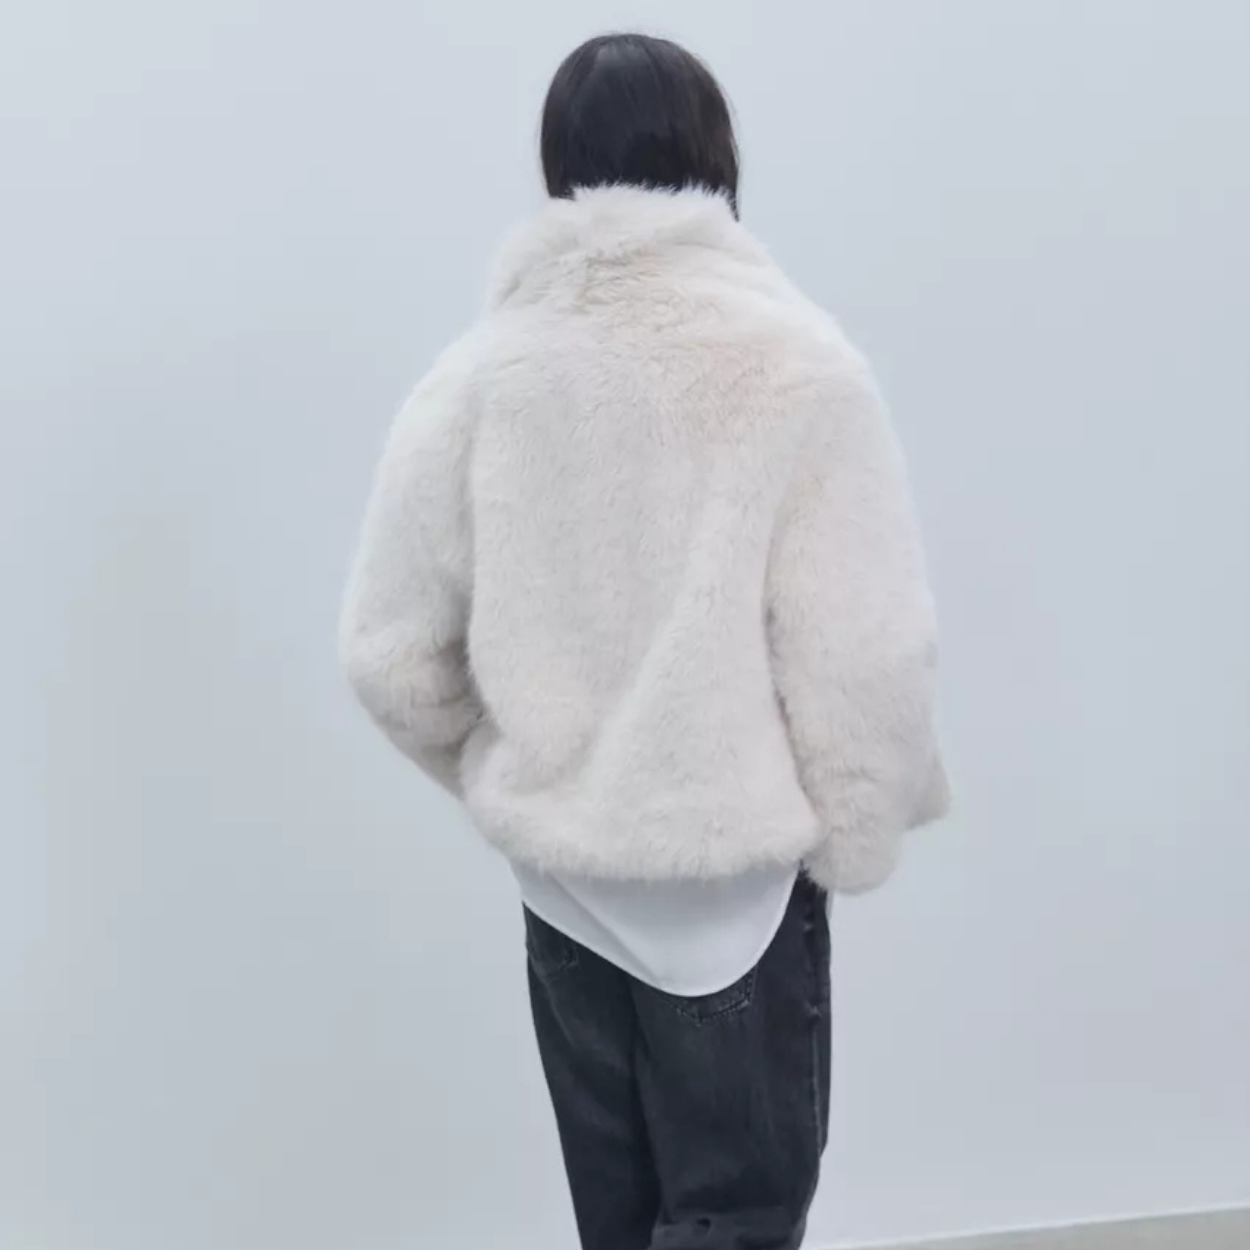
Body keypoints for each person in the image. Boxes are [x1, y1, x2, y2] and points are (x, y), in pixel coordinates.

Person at [339, 32, 948, 1250]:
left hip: (566, 892)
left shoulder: (479, 378)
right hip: (735, 885)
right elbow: (864, 653)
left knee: (617, 1221)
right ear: (714, 157)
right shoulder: (797, 367)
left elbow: (388, 655)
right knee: (740, 1214)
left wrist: (524, 773)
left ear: (558, 166)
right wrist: (851, 833)